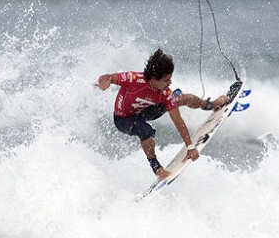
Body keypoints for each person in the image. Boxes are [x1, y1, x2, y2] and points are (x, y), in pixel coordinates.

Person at [97, 49, 230, 180]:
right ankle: (156, 167)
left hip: (146, 112)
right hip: (123, 119)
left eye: (170, 78)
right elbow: (108, 77)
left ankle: (211, 105)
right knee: (146, 131)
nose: (170, 83)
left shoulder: (165, 93)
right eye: (166, 80)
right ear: (154, 79)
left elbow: (177, 120)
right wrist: (104, 82)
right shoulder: (133, 79)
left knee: (183, 98)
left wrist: (190, 146)